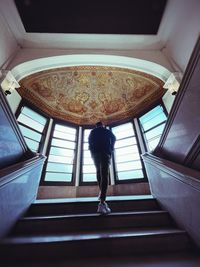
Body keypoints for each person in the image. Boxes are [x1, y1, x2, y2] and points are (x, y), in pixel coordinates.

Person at [88, 121, 116, 215]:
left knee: (99, 173)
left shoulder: (92, 132)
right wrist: (111, 148)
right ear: (102, 125)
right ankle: (102, 202)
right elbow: (114, 138)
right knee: (104, 174)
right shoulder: (106, 131)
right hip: (105, 153)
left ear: (96, 126)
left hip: (95, 154)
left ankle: (101, 195)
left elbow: (89, 142)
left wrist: (92, 152)